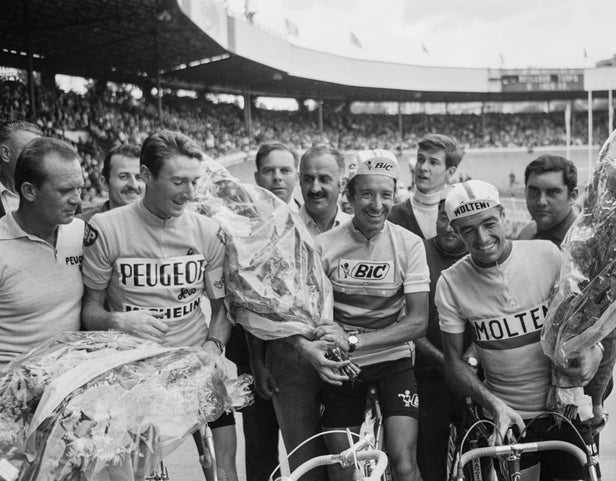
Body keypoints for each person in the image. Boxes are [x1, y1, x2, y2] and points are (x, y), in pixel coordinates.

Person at [80, 130, 238, 481]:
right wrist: (119, 321)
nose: (191, 193)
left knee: (223, 464)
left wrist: (213, 349)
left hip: (195, 360)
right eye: (179, 181)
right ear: (147, 176)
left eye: (195, 181)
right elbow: (89, 311)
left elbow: (222, 308)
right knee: (140, 472)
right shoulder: (105, 228)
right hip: (134, 368)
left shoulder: (209, 232)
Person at [438, 180, 601, 481]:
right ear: (456, 231)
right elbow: (453, 362)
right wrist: (494, 405)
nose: (482, 237)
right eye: (468, 230)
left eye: (489, 223)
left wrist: (594, 353)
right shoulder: (450, 282)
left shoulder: (548, 254)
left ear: (502, 215)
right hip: (509, 419)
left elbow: (585, 328)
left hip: (567, 412)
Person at [236, 145, 353, 481]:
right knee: (305, 465)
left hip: (345, 359)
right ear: (299, 183)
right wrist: (258, 362)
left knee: (347, 462)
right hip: (290, 361)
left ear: (341, 183)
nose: (315, 187)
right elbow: (257, 301)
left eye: (324, 179)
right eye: (308, 179)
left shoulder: (357, 228)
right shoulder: (277, 229)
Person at [316, 149, 429, 481]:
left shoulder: (409, 245)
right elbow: (320, 318)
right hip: (342, 363)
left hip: (392, 359)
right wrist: (341, 347)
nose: (377, 204)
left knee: (404, 464)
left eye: (386, 194)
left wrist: (354, 341)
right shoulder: (324, 245)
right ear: (349, 195)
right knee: (342, 467)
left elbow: (418, 322)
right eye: (366, 193)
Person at [518, 155, 616, 437]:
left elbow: (609, 329)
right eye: (533, 191)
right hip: (529, 382)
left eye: (552, 192)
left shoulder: (589, 246)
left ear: (572, 195)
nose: (540, 201)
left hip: (576, 382)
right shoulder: (527, 233)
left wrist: (596, 398)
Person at [0, 137, 85, 365]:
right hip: (12, 386)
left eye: (79, 188)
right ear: (29, 191)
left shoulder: (81, 233)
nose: (77, 200)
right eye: (66, 190)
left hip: (70, 377)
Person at [414, 197, 468, 481]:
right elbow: (407, 323)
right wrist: (447, 362)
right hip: (428, 378)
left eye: (456, 221)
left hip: (474, 377)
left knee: (476, 463)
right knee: (429, 466)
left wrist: (468, 360)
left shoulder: (480, 253)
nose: (449, 227)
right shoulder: (417, 252)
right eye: (443, 218)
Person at [389, 134, 463, 239]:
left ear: (450, 172)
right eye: (421, 159)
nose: (423, 167)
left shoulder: (461, 216)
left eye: (433, 162)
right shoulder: (391, 216)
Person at [78, 144, 143, 221]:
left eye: (139, 177)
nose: (134, 185)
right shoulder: (83, 225)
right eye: (123, 177)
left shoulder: (158, 224)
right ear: (105, 183)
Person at [0, 120, 42, 217]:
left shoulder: (59, 193)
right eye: (30, 152)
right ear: (5, 154)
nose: (39, 159)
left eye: (41, 153)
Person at [254, 142, 300, 212]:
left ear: (297, 178)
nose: (277, 177)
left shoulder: (312, 219)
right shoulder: (241, 220)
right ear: (257, 178)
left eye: (285, 170)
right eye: (268, 171)